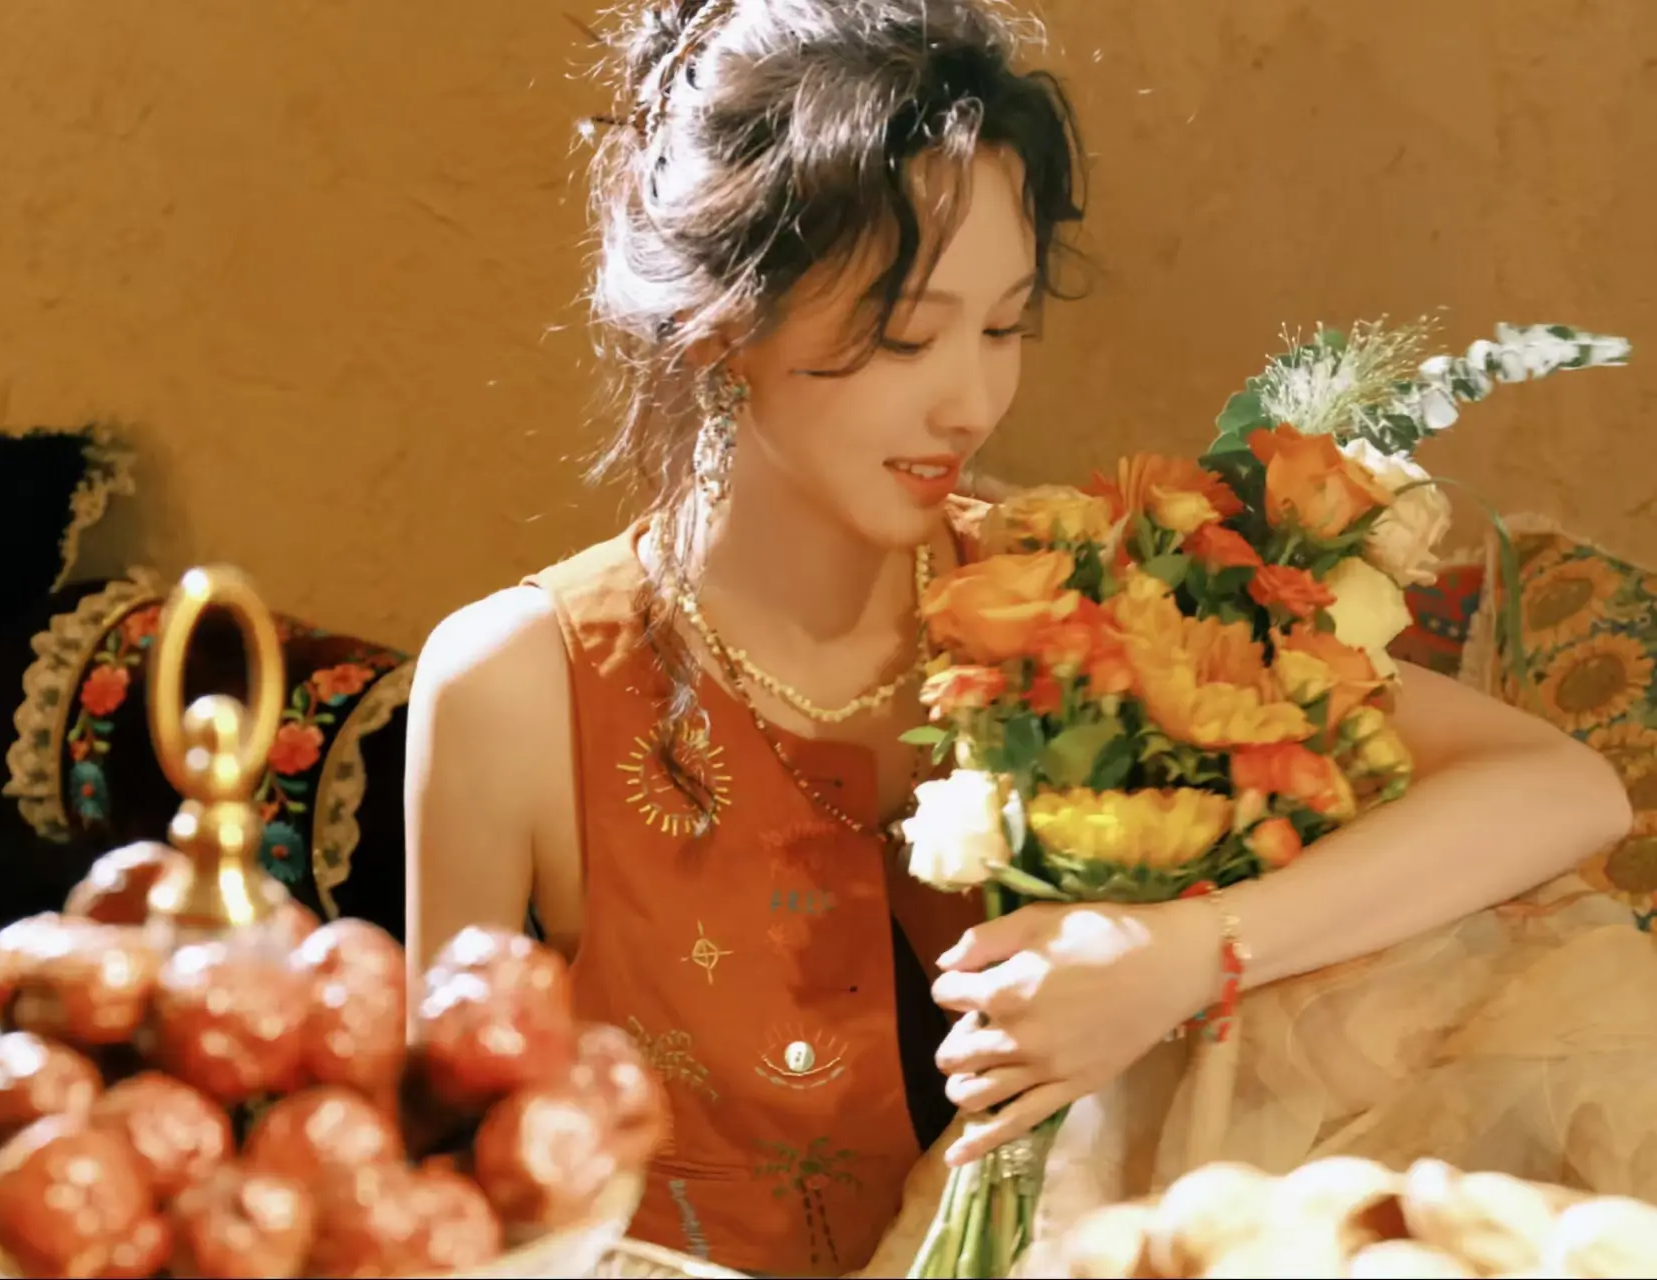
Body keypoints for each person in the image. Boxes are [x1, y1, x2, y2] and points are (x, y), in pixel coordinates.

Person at [404, 2, 1634, 1276]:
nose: (974, 402)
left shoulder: (1082, 586)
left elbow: (1562, 788)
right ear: (724, 326)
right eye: (907, 335)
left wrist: (1182, 955)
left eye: (1003, 328)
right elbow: (440, 1216)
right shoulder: (520, 688)